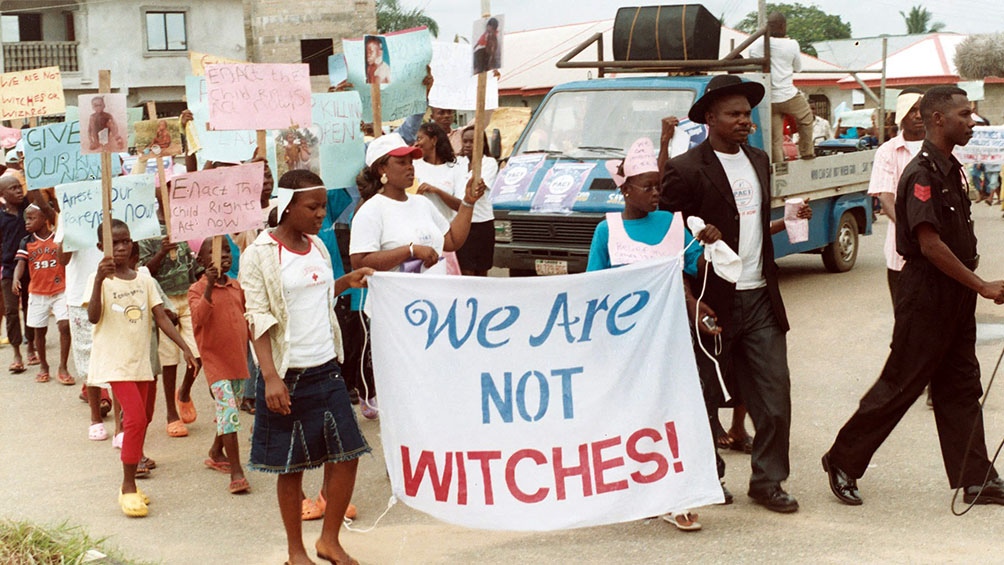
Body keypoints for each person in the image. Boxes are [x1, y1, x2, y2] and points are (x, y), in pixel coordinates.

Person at [822, 86, 1004, 507]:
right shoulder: (922, 173)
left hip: (954, 293)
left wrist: (971, 288)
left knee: (961, 385)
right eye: (963, 114)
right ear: (938, 119)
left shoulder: (950, 167)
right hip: (927, 293)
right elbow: (929, 244)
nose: (971, 121)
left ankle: (975, 477)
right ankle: (842, 459)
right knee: (902, 383)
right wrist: (981, 286)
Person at [660, 74, 811, 514]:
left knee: (775, 394)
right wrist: (691, 302)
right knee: (705, 396)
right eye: (735, 114)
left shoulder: (760, 160)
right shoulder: (686, 170)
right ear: (710, 118)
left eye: (748, 114)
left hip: (761, 296)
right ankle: (709, 477)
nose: (745, 121)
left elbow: (753, 228)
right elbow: (671, 243)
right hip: (712, 301)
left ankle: (768, 481)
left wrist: (782, 224)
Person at [240, 169, 372, 565]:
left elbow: (315, 294)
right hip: (288, 374)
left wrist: (346, 280)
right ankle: (296, 551)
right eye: (312, 207)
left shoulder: (317, 246)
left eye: (323, 206)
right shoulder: (260, 254)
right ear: (288, 206)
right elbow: (257, 317)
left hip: (326, 367)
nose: (320, 214)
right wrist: (270, 378)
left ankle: (328, 540)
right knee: (292, 465)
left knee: (347, 454)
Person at [587, 136, 713, 530]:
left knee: (674, 410)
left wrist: (709, 243)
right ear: (624, 190)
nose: (656, 193)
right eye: (647, 187)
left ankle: (677, 496)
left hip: (672, 337)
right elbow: (593, 289)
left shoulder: (673, 224)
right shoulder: (607, 231)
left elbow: (693, 273)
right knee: (634, 413)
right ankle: (641, 488)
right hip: (627, 342)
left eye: (659, 186)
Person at [87, 219, 197, 517]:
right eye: (114, 243)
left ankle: (133, 475)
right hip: (115, 362)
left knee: (145, 418)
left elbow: (160, 316)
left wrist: (185, 346)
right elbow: (93, 317)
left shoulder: (144, 278)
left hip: (142, 362)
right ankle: (127, 486)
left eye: (126, 242)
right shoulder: (100, 279)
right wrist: (98, 280)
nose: (121, 247)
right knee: (134, 418)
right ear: (101, 248)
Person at [188, 239, 250, 494]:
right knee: (229, 412)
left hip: (238, 360)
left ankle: (216, 450)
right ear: (202, 262)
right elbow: (199, 319)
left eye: (226, 251)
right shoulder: (196, 289)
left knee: (229, 412)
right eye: (215, 253)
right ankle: (237, 471)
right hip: (215, 363)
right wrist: (210, 287)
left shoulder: (237, 287)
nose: (223, 256)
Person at [138, 191, 201, 438]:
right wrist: (162, 251)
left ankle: (184, 392)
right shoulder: (147, 231)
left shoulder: (183, 225)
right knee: (169, 359)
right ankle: (171, 414)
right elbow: (144, 270)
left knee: (198, 353)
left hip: (187, 296)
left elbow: (193, 265)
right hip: (163, 302)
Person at [868, 88, 925, 305]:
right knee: (905, 321)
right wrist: (912, 231)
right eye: (912, 110)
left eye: (922, 110)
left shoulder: (944, 148)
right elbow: (885, 197)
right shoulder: (887, 151)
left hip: (941, 256)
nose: (918, 115)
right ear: (901, 114)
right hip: (901, 255)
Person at [56, 218, 110, 440]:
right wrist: (69, 232)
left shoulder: (113, 202)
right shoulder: (69, 214)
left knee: (117, 353)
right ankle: (95, 418)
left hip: (116, 289)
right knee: (89, 357)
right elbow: (62, 259)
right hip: (81, 297)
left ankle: (124, 420)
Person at [12, 203, 73, 385]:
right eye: (26, 219)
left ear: (45, 219)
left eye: (32, 218)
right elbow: (21, 264)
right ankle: (44, 365)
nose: (27, 222)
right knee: (39, 331)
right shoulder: (27, 241)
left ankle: (63, 366)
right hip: (37, 292)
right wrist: (16, 278)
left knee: (64, 326)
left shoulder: (58, 238)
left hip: (60, 290)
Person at [749, 12, 814, 163]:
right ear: (783, 26)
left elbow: (751, 54)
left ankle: (778, 165)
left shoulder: (760, 43)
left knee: (775, 138)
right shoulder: (792, 44)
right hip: (788, 95)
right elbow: (798, 68)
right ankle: (806, 152)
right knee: (806, 119)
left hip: (769, 97)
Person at [0, 176, 40, 373]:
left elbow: (34, 192)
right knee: (11, 310)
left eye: (19, 187)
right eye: (13, 188)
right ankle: (16, 353)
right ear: (2, 194)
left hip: (30, 266)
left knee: (30, 307)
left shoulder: (27, 208)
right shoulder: (1, 216)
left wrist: (30, 171)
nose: (18, 191)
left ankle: (31, 346)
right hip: (9, 269)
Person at [456, 125, 498, 276]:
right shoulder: (457, 163)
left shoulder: (489, 163)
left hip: (482, 223)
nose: (467, 145)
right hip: (462, 224)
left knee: (481, 269)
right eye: (465, 141)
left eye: (472, 142)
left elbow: (478, 187)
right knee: (465, 270)